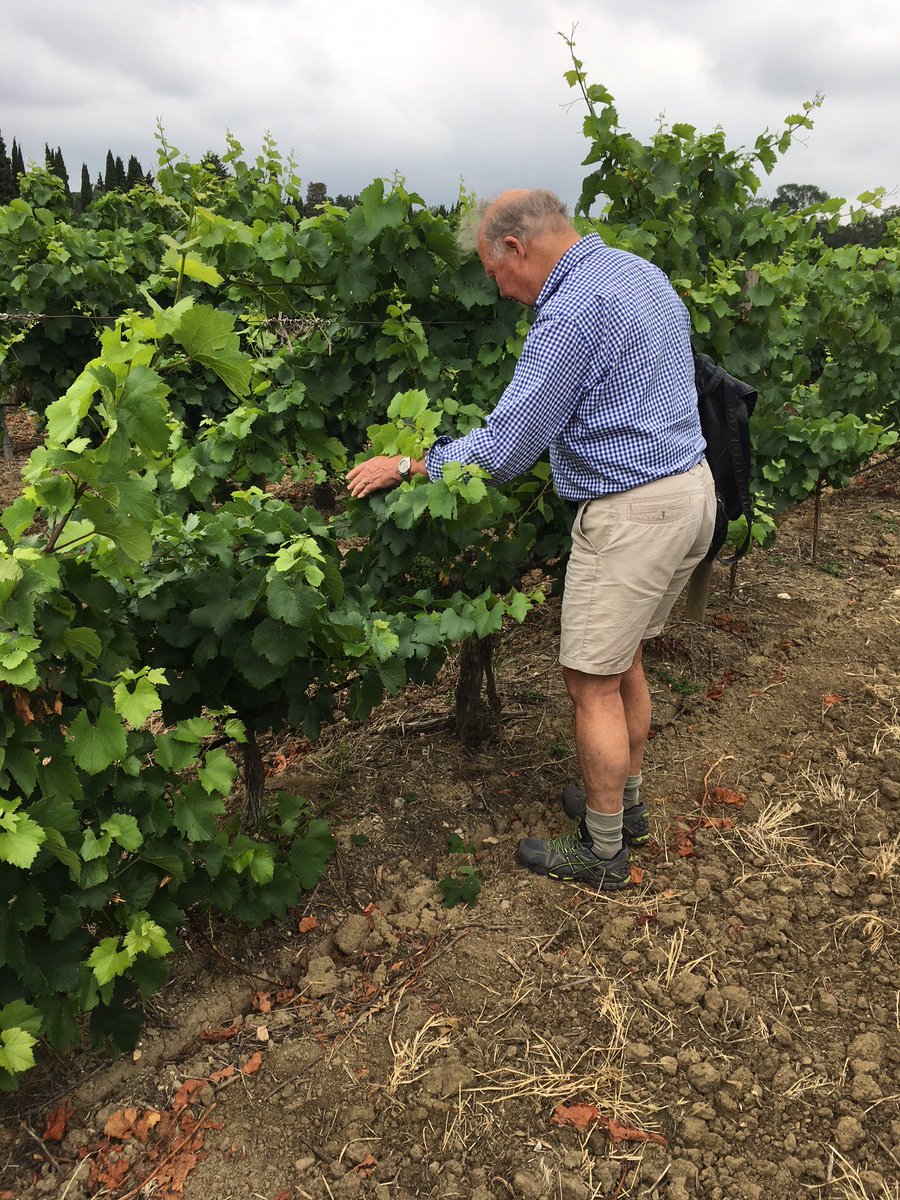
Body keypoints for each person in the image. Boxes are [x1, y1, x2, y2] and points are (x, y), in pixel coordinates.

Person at [346, 189, 716, 890]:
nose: (500, 289)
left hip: (633, 515)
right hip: (690, 491)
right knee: (624, 660)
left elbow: (508, 448)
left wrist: (412, 465)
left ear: (515, 248)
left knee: (591, 684)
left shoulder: (570, 312)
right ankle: (627, 809)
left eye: (495, 273)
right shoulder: (639, 271)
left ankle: (602, 853)